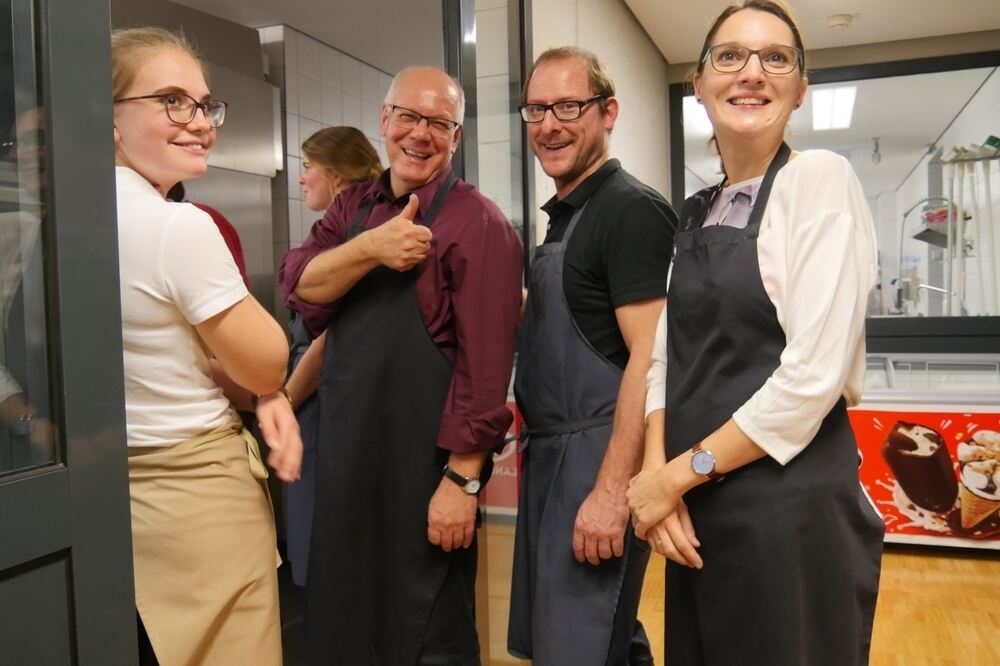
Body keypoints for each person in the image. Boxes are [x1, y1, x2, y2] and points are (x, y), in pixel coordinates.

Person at [625, 2, 884, 664]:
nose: (752, 73)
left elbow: (810, 379)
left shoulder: (819, 180)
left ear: (801, 87)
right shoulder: (697, 210)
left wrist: (678, 476)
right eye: (731, 56)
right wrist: (656, 476)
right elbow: (664, 358)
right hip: (696, 514)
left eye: (777, 58)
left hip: (787, 515)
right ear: (700, 81)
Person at [278, 66, 522, 664]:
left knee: (423, 633)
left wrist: (461, 482)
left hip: (424, 480)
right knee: (344, 630)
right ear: (384, 120)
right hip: (347, 470)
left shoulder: (479, 224)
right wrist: (369, 250)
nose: (420, 134)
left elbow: (486, 374)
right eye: (408, 117)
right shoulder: (354, 209)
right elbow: (298, 284)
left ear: (456, 137)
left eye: (438, 123)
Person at [111, 27, 301, 666]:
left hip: (119, 494)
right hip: (197, 502)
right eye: (171, 101)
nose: (198, 122)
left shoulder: (61, 222)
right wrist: (267, 388)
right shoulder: (178, 227)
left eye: (204, 104)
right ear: (107, 117)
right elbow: (267, 361)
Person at [509, 47, 677, 665]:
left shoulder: (629, 211)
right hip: (552, 461)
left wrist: (611, 494)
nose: (549, 124)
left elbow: (650, 359)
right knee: (592, 641)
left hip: (597, 463)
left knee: (580, 645)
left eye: (568, 106)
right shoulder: (565, 216)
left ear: (608, 112)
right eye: (536, 109)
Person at [283, 126, 384, 587]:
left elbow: (332, 338)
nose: (302, 179)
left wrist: (285, 401)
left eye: (308, 167)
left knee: (321, 538)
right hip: (319, 392)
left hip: (324, 397)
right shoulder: (339, 228)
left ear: (338, 176)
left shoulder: (360, 228)